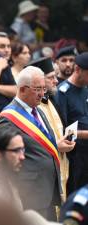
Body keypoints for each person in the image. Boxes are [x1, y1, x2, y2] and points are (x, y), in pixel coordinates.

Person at [0, 66, 68, 220]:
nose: (42, 94)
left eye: (43, 89)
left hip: (47, 189)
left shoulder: (38, 110)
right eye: (37, 89)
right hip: (29, 192)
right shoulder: (7, 118)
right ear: (23, 90)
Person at [28, 57, 75, 200]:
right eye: (51, 78)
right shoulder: (32, 108)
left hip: (62, 163)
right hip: (44, 170)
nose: (56, 81)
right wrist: (55, 146)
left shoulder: (51, 100)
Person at [54, 52, 88, 195]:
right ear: (78, 69)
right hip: (75, 155)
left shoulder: (85, 88)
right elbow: (62, 130)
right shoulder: (63, 93)